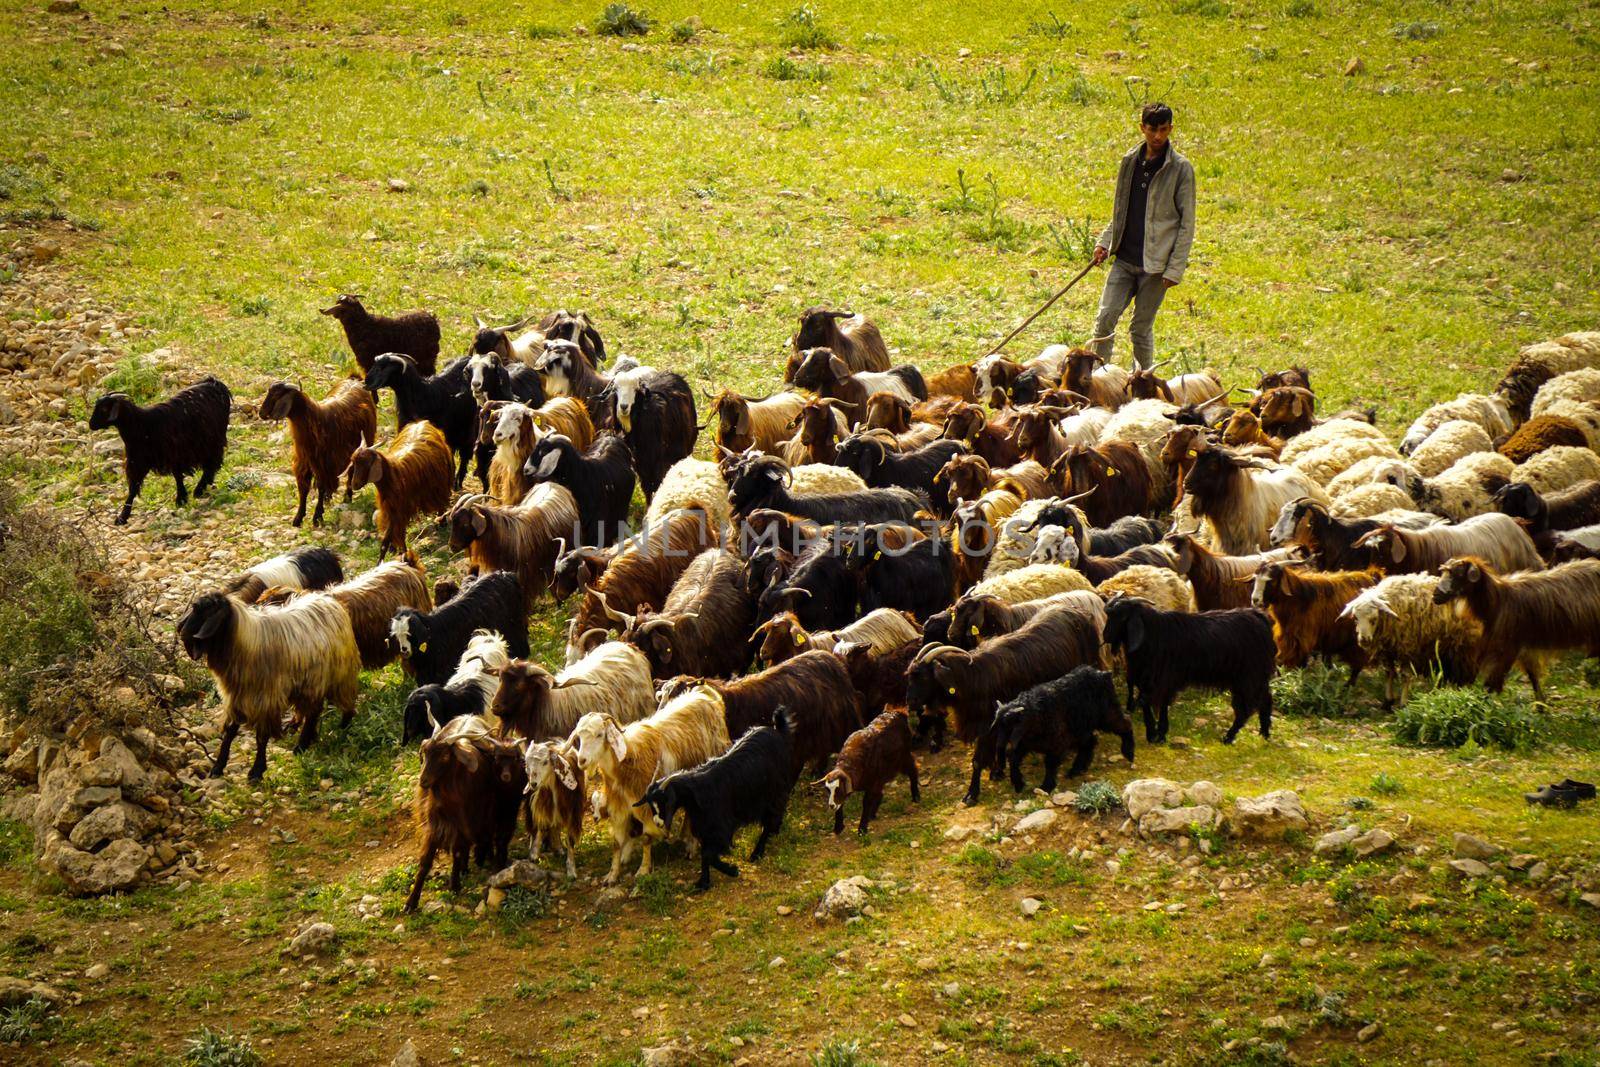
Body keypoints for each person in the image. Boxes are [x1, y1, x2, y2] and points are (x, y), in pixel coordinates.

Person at [1089, 101, 1195, 369]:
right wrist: (1105, 241)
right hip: (1124, 258)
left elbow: (1187, 224)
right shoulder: (1129, 162)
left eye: (1162, 129)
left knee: (1140, 329)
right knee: (1105, 319)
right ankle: (1099, 381)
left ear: (1170, 129)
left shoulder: (1181, 169)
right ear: (1142, 128)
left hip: (1156, 267)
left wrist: (1175, 268)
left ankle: (1144, 385)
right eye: (1151, 129)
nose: (1157, 136)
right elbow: (1121, 208)